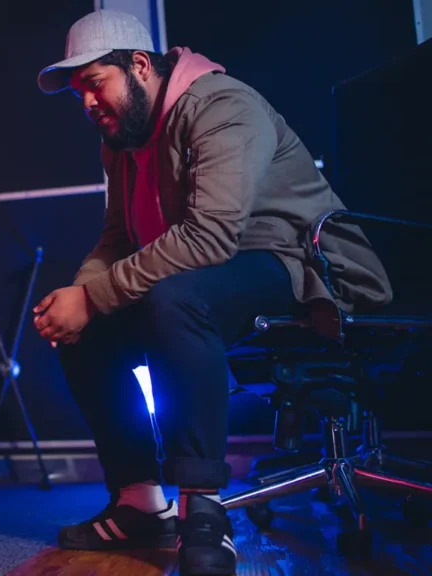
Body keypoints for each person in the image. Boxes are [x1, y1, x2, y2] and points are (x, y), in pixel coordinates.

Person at [31, 9, 390, 576]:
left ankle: (204, 508)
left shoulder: (222, 105)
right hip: (213, 271)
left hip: (303, 265)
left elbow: (210, 236)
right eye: (78, 93)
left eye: (94, 84)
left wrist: (96, 297)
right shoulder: (121, 141)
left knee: (174, 299)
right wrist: (80, 297)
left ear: (139, 66)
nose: (87, 103)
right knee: (88, 325)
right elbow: (119, 238)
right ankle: (140, 503)